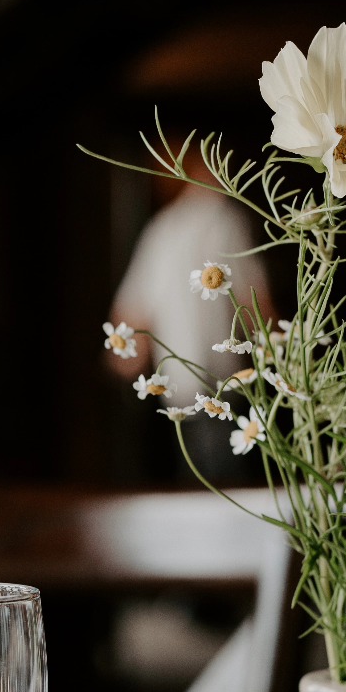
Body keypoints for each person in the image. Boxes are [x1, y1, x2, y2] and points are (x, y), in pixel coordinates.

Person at [107, 170, 275, 481]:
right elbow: (253, 296)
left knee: (194, 470)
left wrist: (123, 354)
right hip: (221, 375)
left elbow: (133, 306)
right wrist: (278, 347)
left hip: (180, 378)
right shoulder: (226, 221)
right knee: (225, 472)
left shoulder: (163, 228)